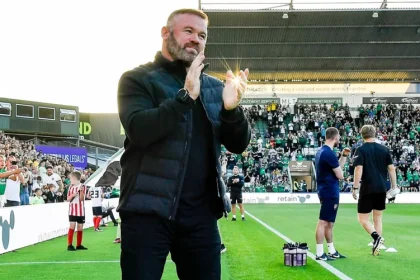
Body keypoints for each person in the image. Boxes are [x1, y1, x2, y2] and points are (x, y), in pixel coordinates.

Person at [117, 8, 250, 280]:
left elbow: (238, 144)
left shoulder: (214, 87)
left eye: (202, 35)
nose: (196, 40)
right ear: (166, 34)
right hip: (147, 212)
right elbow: (139, 130)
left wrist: (232, 110)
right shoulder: (137, 79)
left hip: (200, 217)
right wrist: (185, 99)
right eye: (188, 31)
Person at [352, 125, 397, 256]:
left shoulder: (360, 150)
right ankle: (378, 244)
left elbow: (358, 169)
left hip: (367, 187)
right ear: (374, 134)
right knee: (378, 217)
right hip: (382, 187)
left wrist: (355, 187)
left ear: (362, 135)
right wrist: (394, 187)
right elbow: (392, 169)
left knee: (362, 219)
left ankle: (376, 238)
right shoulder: (384, 149)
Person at [314, 127, 349, 261]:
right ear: (335, 138)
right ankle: (319, 252)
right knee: (323, 221)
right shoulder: (328, 153)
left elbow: (336, 168)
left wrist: (343, 156)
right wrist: (342, 173)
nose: (339, 139)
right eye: (339, 137)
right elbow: (340, 174)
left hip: (325, 189)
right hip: (329, 191)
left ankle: (331, 250)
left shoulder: (322, 151)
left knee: (329, 222)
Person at [67, 171, 88, 251]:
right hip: (72, 210)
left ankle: (78, 245)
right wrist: (73, 195)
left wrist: (81, 192)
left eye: (71, 178)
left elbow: (82, 199)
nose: (70, 180)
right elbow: (68, 199)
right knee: (72, 226)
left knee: (80, 227)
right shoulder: (71, 187)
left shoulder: (83, 186)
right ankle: (69, 245)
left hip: (80, 210)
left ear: (74, 178)